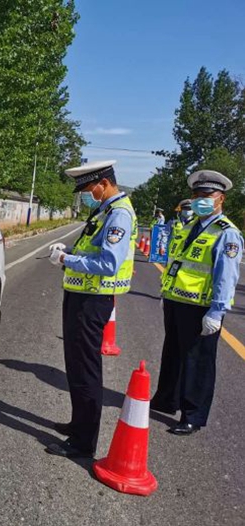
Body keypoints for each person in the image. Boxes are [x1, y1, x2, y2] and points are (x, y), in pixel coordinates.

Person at [45, 160, 137, 458]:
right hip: (81, 295)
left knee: (85, 369)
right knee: (75, 364)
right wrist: (68, 251)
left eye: (87, 188)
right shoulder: (104, 210)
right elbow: (92, 251)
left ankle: (84, 442)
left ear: (103, 183)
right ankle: (79, 424)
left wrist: (65, 261)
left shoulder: (119, 215)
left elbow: (108, 264)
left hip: (93, 300)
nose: (86, 194)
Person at [151, 170, 243, 435]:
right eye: (196, 195)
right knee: (173, 353)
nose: (201, 199)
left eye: (207, 195)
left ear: (220, 199)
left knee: (198, 361)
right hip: (177, 301)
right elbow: (178, 263)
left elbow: (226, 277)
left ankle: (193, 414)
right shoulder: (191, 226)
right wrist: (165, 294)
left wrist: (217, 311)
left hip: (202, 307)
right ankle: (167, 399)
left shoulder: (226, 233)